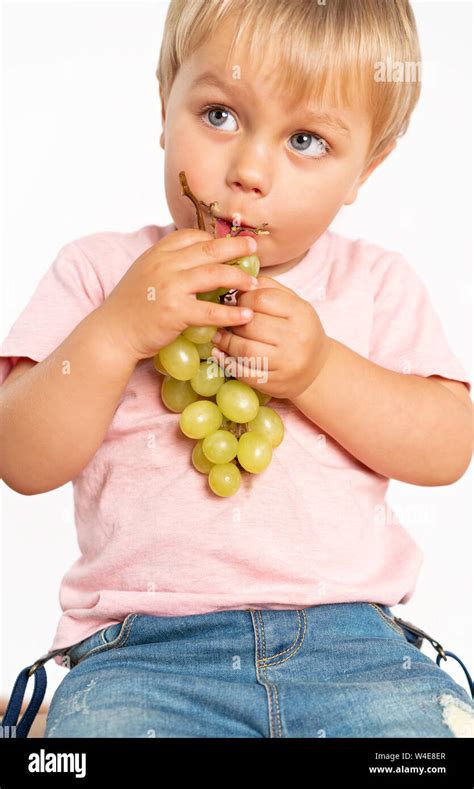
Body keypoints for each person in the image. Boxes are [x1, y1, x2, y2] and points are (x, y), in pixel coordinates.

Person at [1, 0, 473, 738]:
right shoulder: (100, 274)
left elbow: (448, 445)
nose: (249, 170)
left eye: (307, 139)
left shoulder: (376, 284)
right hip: (144, 654)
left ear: (366, 168)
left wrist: (320, 370)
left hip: (354, 649)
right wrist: (113, 334)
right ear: (166, 105)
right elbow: (20, 457)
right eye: (219, 115)